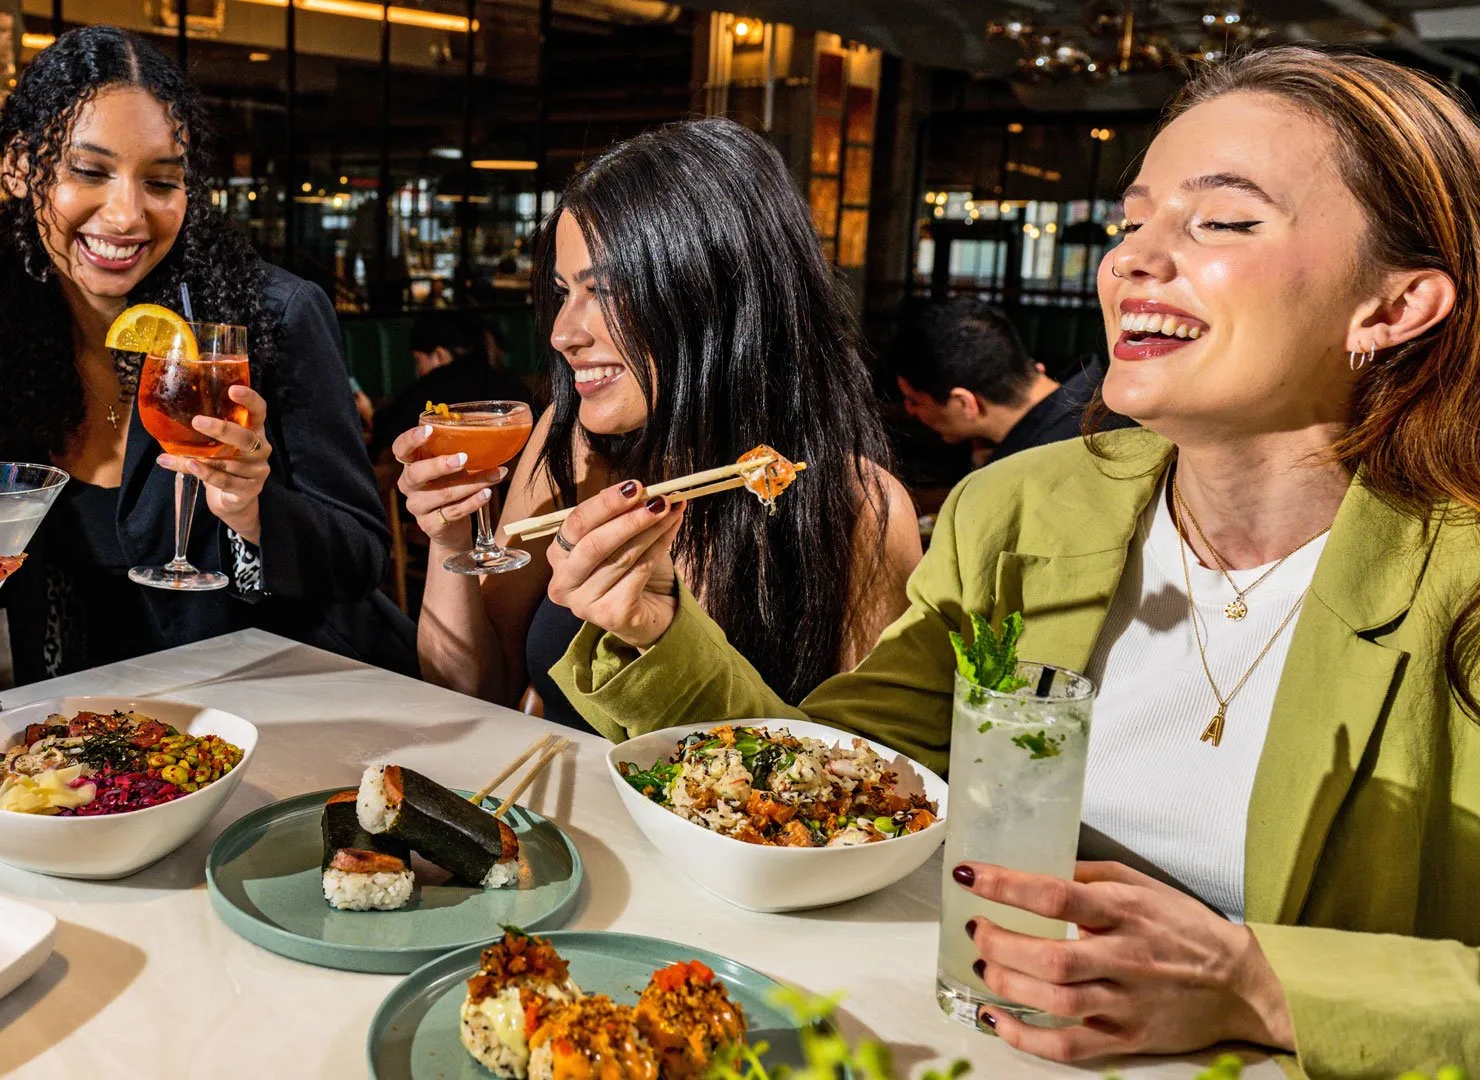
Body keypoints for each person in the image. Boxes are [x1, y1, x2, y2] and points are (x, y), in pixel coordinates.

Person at [540, 48, 1480, 1071]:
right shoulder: (1016, 515)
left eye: (1220, 221)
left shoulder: (1458, 585)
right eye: (1132, 223)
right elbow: (832, 786)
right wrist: (653, 631)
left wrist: (1258, 984)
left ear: (1393, 307)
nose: (1129, 261)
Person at [391, 118, 922, 728]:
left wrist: (660, 638)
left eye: (608, 290)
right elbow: (473, 690)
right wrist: (452, 538)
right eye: (564, 291)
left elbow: (864, 778)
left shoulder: (855, 506)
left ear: (718, 295)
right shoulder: (571, 441)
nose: (564, 333)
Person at [0, 27, 414, 681]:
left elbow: (361, 554)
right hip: (106, 730)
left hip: (285, 706)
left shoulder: (271, 321)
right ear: (21, 167)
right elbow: (32, 572)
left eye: (162, 182)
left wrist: (252, 508)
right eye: (90, 171)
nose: (127, 215)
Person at [894, 298, 1128, 464]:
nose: (910, 410)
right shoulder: (1097, 396)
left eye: (914, 400)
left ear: (965, 403)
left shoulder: (1046, 463)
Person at [369, 311, 537, 463]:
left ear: (440, 354)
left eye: (418, 360)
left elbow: (392, 432)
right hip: (518, 491)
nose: (418, 370)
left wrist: (368, 413)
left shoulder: (434, 386)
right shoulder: (508, 381)